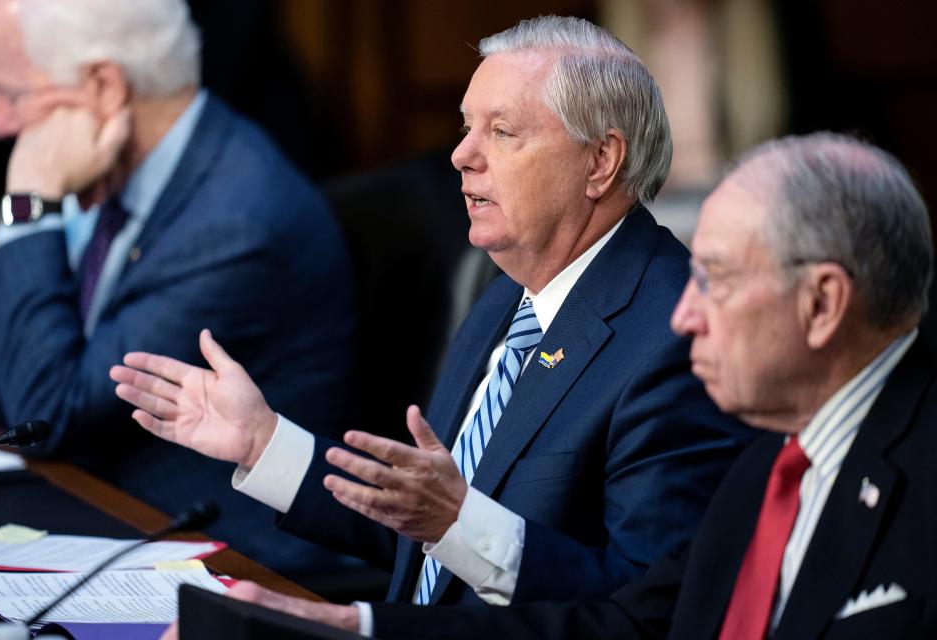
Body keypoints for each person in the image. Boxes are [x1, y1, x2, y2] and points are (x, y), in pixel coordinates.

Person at [112, 15, 750, 636]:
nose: (460, 155)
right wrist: (264, 443)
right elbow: (426, 529)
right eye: (466, 127)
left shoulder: (676, 337)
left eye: (501, 132)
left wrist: (368, 614)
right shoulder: (504, 298)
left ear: (601, 161)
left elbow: (644, 617)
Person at [231, 132, 936, 639]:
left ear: (821, 305)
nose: (687, 316)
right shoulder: (772, 461)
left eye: (714, 281)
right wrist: (355, 629)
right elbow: (629, 620)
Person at [0, 0, 356, 573]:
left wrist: (28, 208)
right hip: (109, 514)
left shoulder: (234, 221)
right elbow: (29, 370)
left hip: (236, 569)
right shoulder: (127, 176)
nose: (0, 123)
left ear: (104, 85)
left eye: (14, 94)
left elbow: (46, 413)